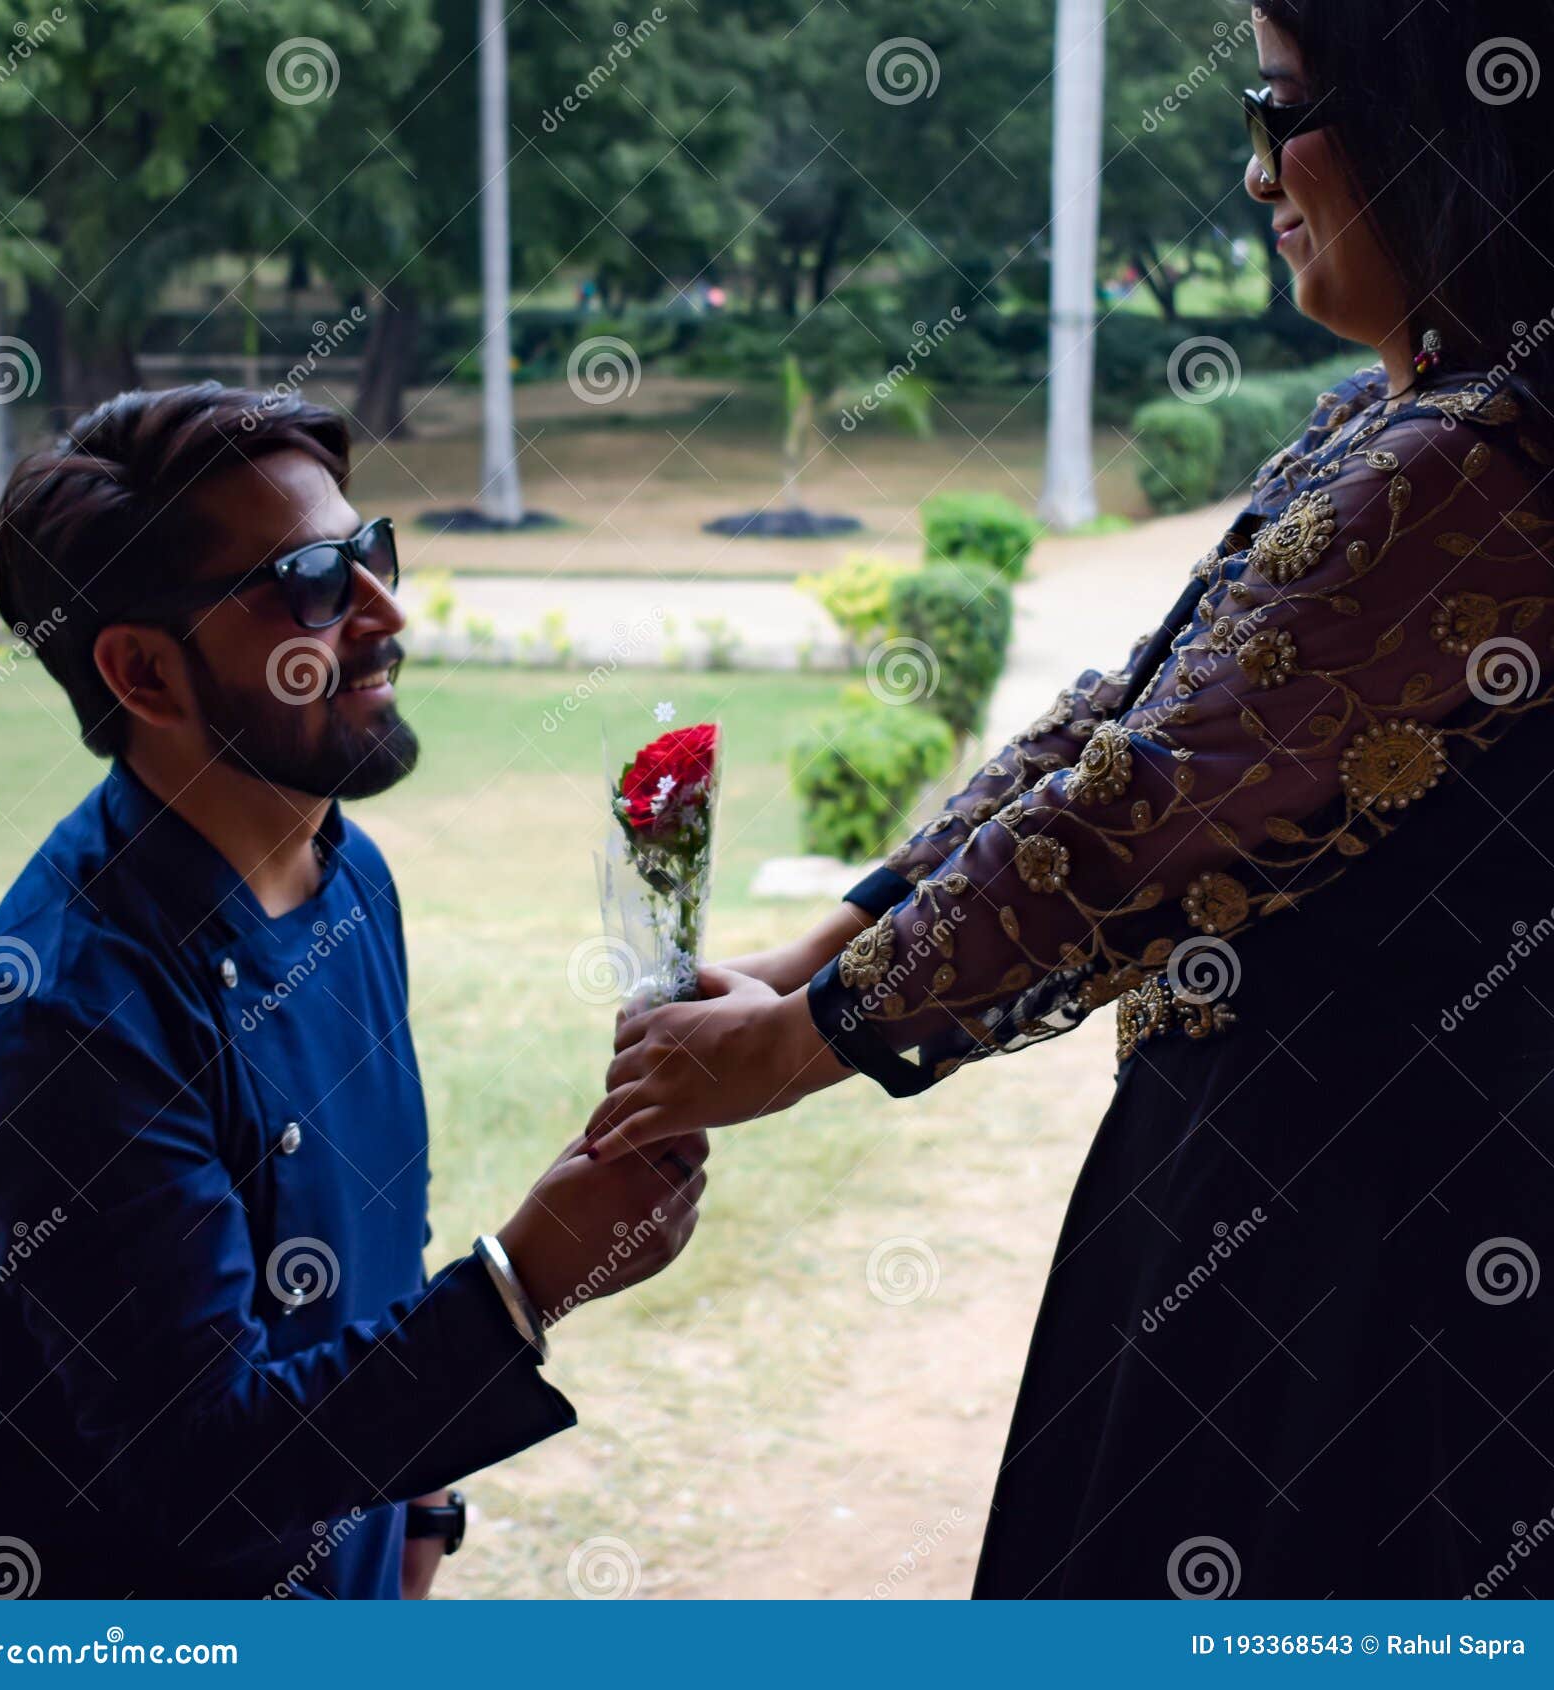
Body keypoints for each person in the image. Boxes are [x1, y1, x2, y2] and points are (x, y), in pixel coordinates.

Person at [585, 1, 1554, 1598]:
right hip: (1277, 1180)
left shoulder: (1474, 464)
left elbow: (1138, 814)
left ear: (1438, 127)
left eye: (1282, 109)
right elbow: (1119, 719)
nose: (1258, 174)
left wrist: (800, 1040)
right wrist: (802, 960)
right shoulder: (1396, 417)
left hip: (1360, 1241)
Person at [0, 384, 708, 1599]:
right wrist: (523, 1284)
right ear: (144, 672)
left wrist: (423, 1524)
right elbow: (192, 1462)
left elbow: (373, 1255)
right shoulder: (63, 1014)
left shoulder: (350, 876)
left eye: (368, 553)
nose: (385, 610)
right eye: (310, 581)